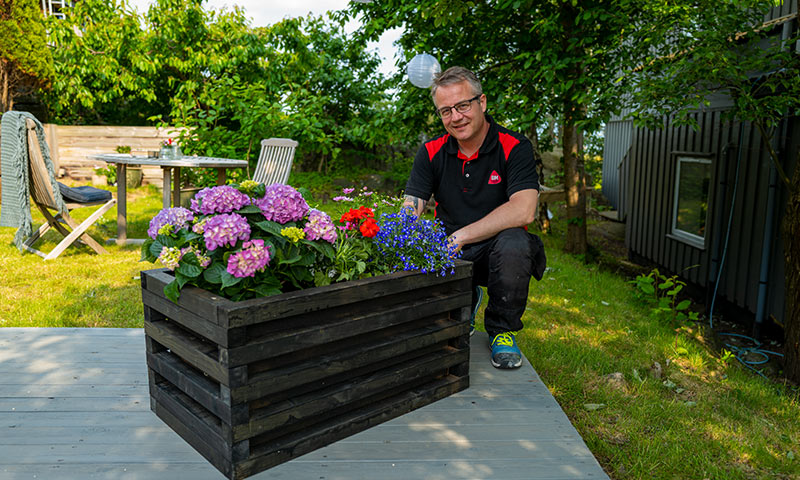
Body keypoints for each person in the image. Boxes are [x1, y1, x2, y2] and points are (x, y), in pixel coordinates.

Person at [402, 66, 546, 369]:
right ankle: (461, 310)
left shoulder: (514, 147)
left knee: (516, 243)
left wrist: (463, 235)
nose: (455, 117)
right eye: (445, 111)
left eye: (462, 105)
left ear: (482, 103)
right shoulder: (430, 151)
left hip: (499, 250)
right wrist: (400, 234)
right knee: (444, 333)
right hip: (449, 251)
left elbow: (524, 209)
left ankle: (502, 331)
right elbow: (411, 207)